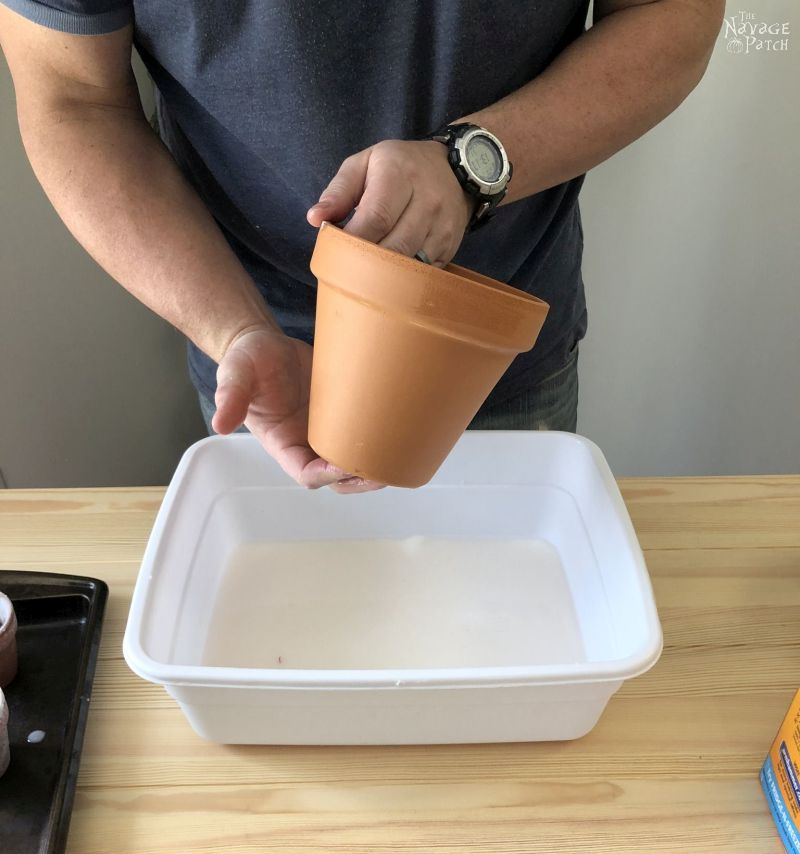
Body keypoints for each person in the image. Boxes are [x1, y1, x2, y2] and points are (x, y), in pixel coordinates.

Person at [0, 0, 723, 492]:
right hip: (257, 352)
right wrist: (235, 329)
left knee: (499, 634)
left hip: (493, 350)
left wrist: (473, 162)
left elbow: (671, 13)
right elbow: (70, 96)